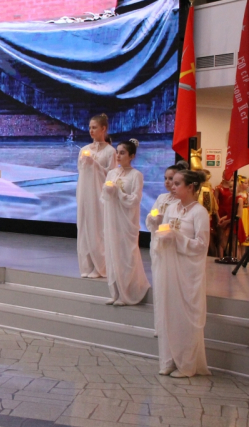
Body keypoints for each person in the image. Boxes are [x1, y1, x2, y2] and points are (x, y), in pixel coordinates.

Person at [155, 169, 212, 378]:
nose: (172, 186)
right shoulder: (171, 208)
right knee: (170, 313)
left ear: (191, 187)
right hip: (171, 267)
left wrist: (177, 237)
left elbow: (202, 245)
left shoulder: (199, 212)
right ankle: (170, 359)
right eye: (172, 182)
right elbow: (163, 231)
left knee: (186, 317)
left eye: (178, 183)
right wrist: (161, 235)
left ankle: (187, 365)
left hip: (189, 272)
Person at [101, 139, 150, 306]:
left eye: (122, 153)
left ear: (132, 156)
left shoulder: (136, 175)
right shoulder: (112, 173)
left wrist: (118, 192)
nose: (118, 155)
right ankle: (115, 291)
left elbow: (135, 199)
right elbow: (104, 197)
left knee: (126, 255)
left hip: (127, 221)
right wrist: (107, 191)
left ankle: (128, 292)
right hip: (113, 219)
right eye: (117, 152)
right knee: (113, 253)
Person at [145, 161, 187, 334]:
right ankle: (160, 324)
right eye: (166, 179)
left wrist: (165, 222)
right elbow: (151, 216)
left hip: (173, 249)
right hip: (158, 245)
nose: (168, 183)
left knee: (172, 286)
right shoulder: (162, 198)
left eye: (172, 180)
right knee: (159, 285)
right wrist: (154, 219)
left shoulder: (182, 202)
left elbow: (181, 227)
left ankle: (173, 324)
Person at [76, 113, 117, 278]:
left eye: (94, 127)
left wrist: (95, 164)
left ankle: (100, 266)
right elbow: (81, 171)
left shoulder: (110, 151)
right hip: (85, 193)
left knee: (98, 229)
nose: (91, 131)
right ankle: (87, 264)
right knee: (84, 228)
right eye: (90, 128)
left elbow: (111, 175)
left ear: (103, 129)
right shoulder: (84, 150)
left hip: (99, 194)